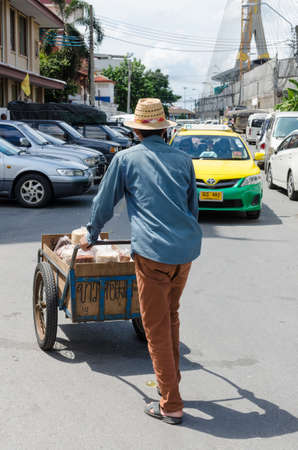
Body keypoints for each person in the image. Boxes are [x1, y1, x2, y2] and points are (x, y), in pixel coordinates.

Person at [80, 98, 202, 425]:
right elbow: (194, 208)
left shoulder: (126, 159)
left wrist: (91, 235)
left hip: (153, 254)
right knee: (171, 315)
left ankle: (170, 404)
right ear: (164, 130)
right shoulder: (183, 160)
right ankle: (171, 384)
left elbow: (104, 203)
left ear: (136, 130)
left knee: (156, 327)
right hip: (185, 252)